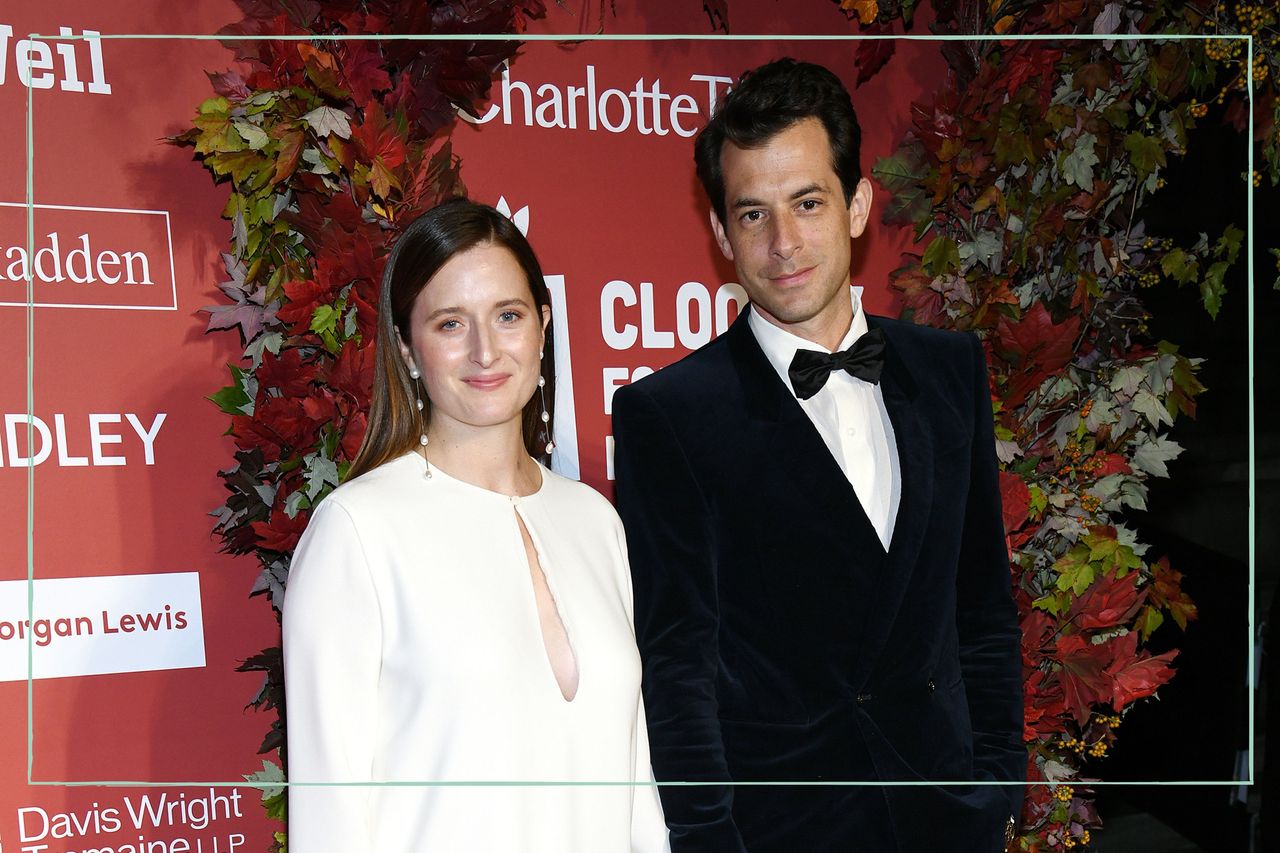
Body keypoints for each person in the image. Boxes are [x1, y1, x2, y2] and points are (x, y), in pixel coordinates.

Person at [611, 58, 1025, 853]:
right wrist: (710, 841)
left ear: (858, 204)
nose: (784, 243)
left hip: (949, 818)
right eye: (753, 214)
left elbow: (982, 606)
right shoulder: (668, 415)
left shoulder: (948, 369)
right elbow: (678, 669)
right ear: (721, 234)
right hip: (785, 831)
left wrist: (1000, 786)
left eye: (807, 202)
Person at [283, 198, 669, 853]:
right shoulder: (358, 531)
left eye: (508, 316)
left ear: (543, 327)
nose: (486, 350)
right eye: (451, 323)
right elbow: (330, 819)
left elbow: (636, 787)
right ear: (408, 347)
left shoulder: (595, 522)